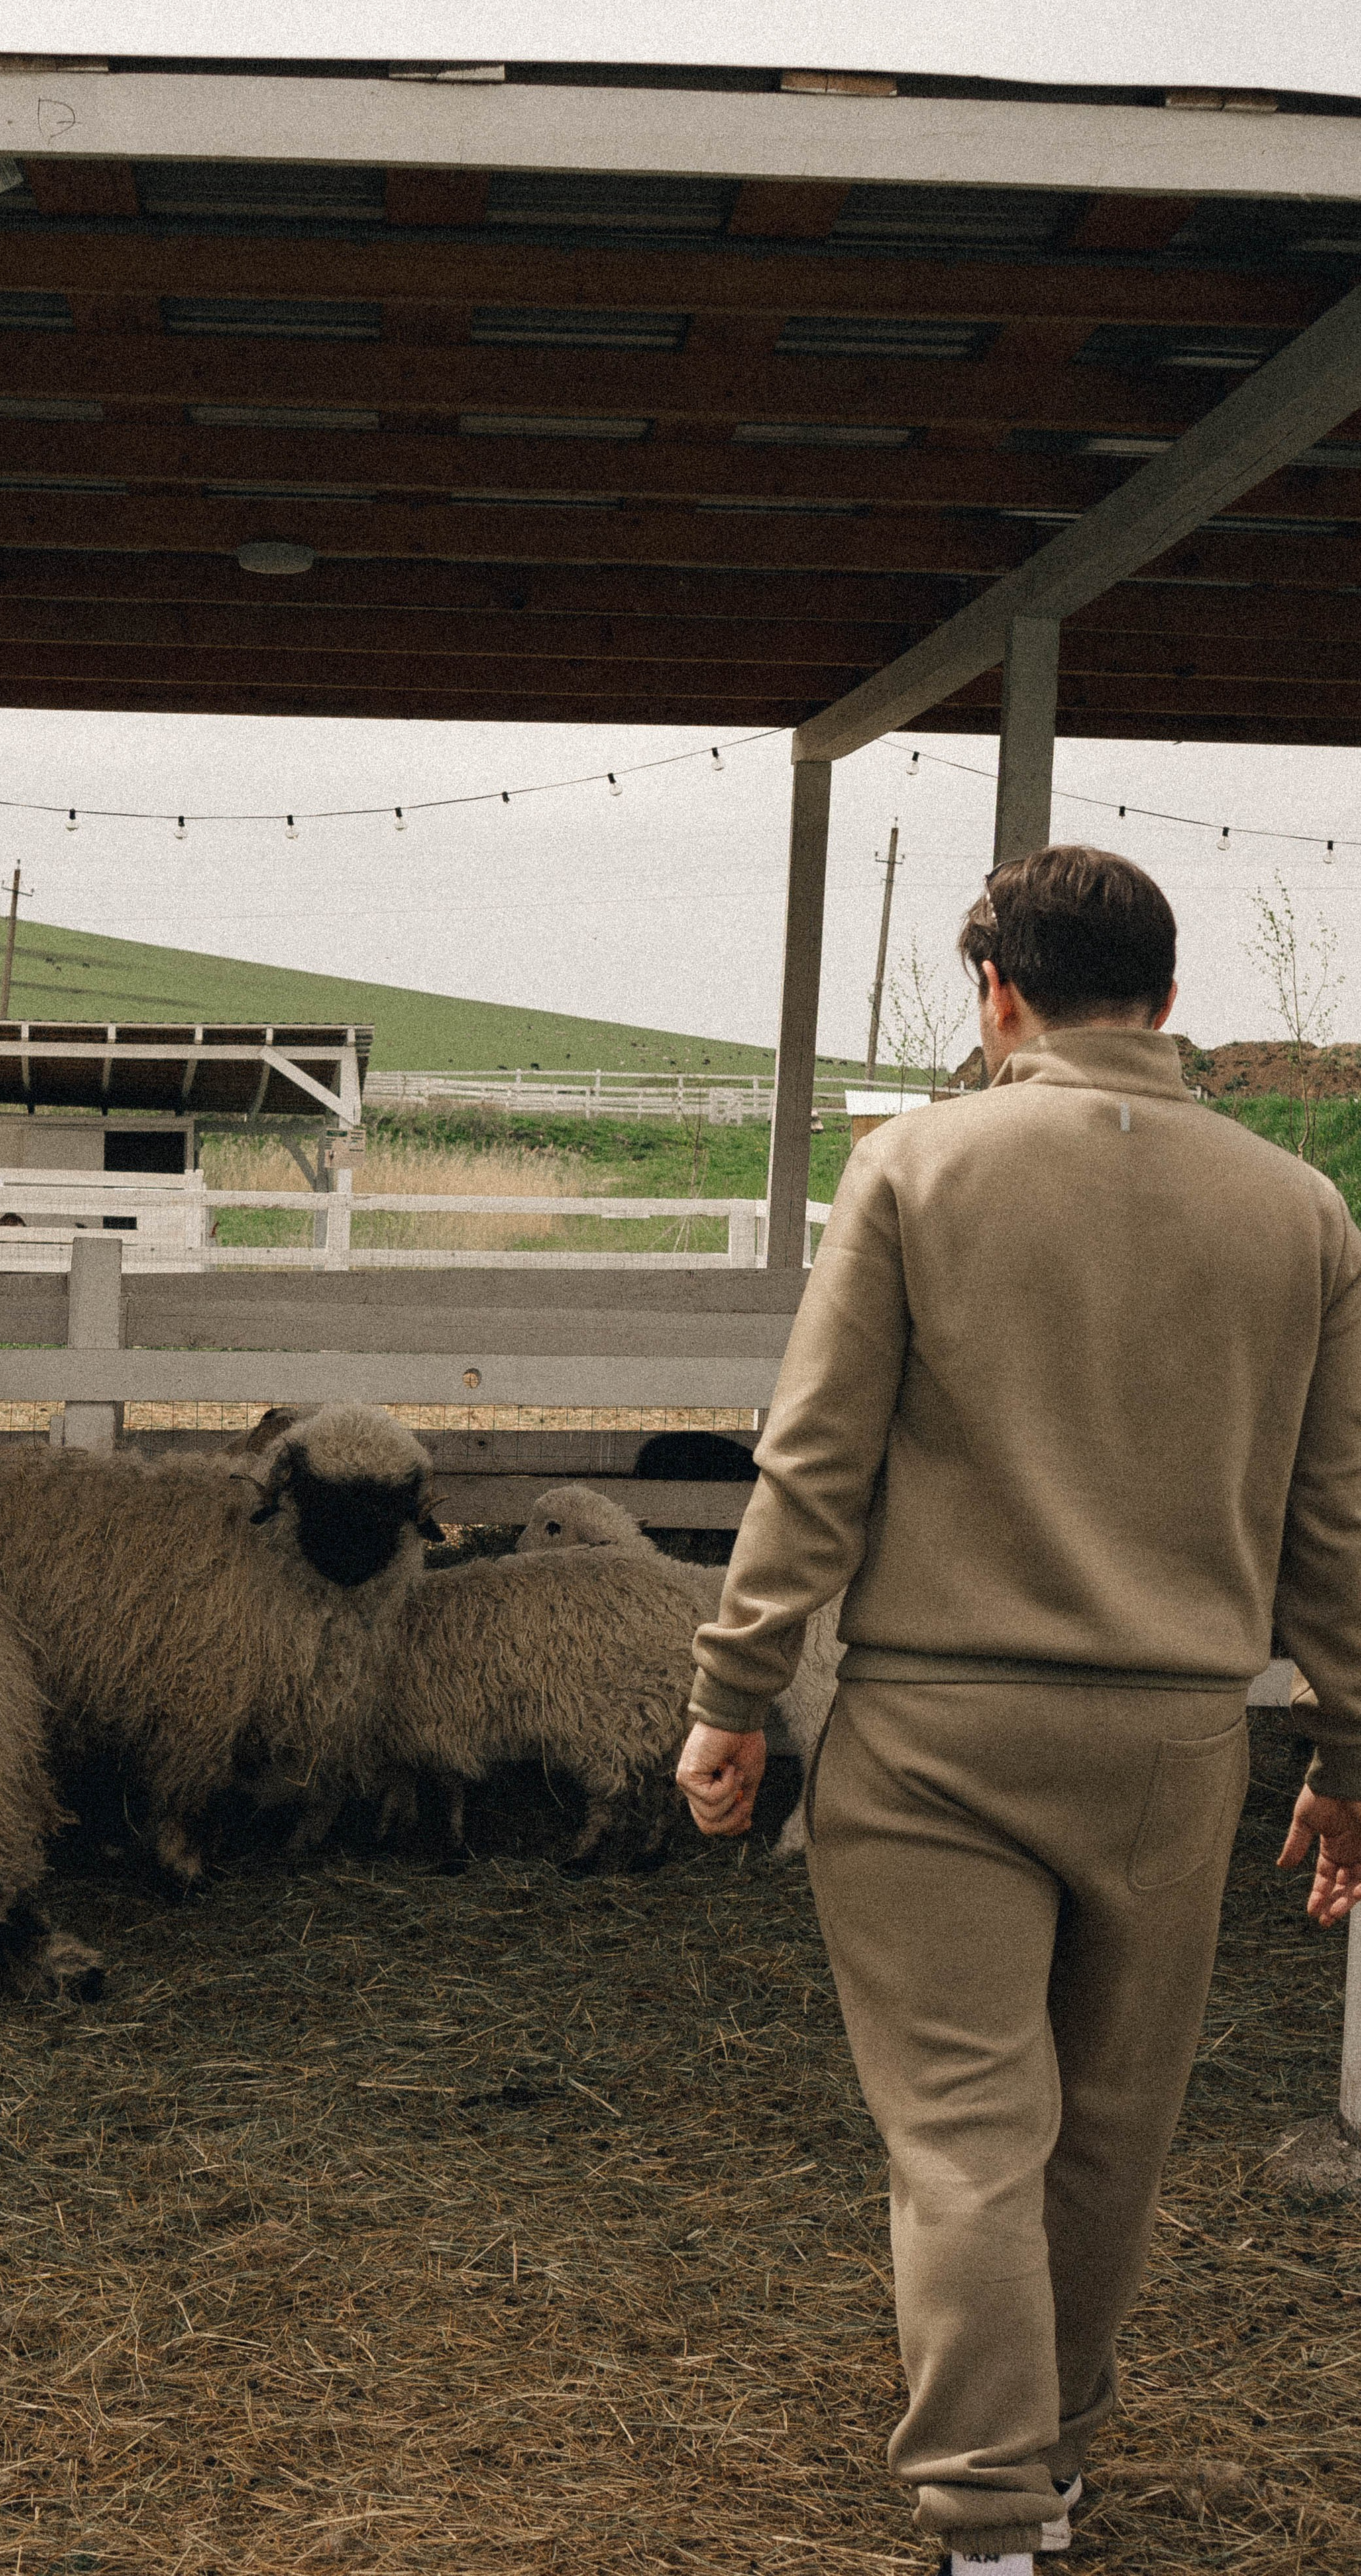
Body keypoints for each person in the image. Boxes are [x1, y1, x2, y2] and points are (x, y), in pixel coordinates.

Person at [675, 845, 1361, 2576]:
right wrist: (1352, 1751)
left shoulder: (919, 1168)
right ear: (1169, 996)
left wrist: (737, 1683)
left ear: (997, 993)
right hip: (1176, 1745)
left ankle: (988, 2520)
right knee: (1112, 2134)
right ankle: (1046, 2467)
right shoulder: (1302, 1214)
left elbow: (816, 1459)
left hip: (937, 1738)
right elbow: (1336, 1521)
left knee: (969, 2135)